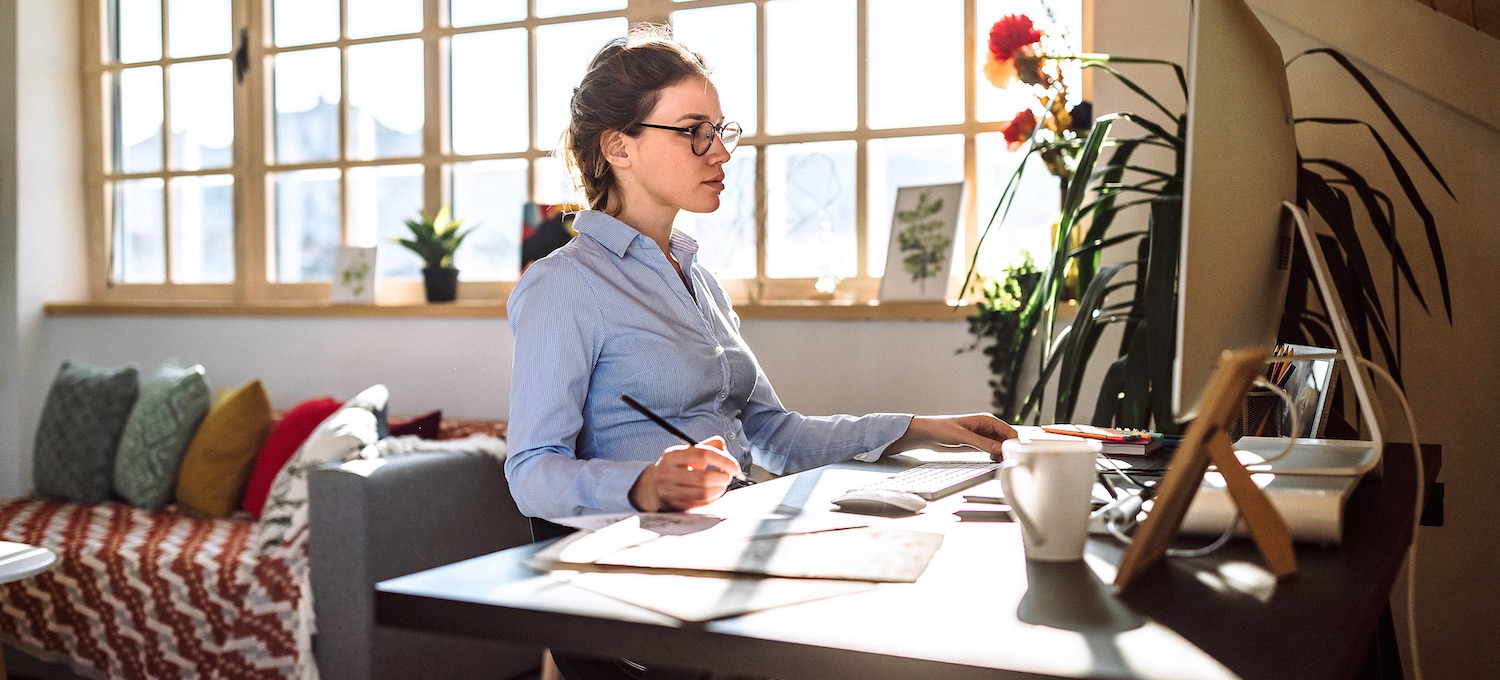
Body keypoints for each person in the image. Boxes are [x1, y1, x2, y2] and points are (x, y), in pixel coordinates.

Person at [505, 24, 1017, 680]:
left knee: (935, 578)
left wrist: (922, 428)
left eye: (722, 130)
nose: (719, 151)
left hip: (729, 550)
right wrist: (642, 482)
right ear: (618, 147)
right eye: (694, 131)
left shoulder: (701, 280)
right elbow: (530, 471)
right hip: (646, 591)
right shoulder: (565, 285)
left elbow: (776, 436)